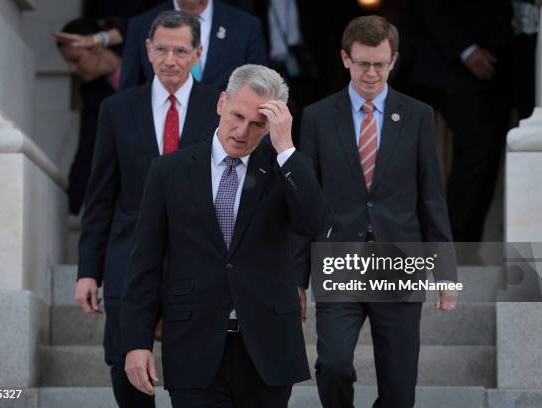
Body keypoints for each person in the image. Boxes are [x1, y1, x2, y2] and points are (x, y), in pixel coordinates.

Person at [121, 64, 334, 407]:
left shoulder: (286, 168)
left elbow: (317, 225)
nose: (242, 131)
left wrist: (286, 149)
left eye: (258, 124)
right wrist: (136, 342)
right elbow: (144, 263)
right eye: (237, 115)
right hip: (193, 345)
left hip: (268, 348)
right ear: (221, 102)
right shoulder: (168, 172)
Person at [295, 16, 458, 408]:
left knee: (399, 388)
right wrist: (296, 279)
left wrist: (446, 271)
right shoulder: (317, 117)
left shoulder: (418, 115)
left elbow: (431, 197)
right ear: (345, 59)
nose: (372, 73)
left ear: (394, 60)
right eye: (363, 63)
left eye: (380, 64)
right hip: (338, 259)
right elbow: (305, 202)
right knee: (332, 365)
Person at [75, 11, 220, 408]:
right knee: (125, 364)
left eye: (180, 50)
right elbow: (100, 195)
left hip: (196, 260)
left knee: (193, 372)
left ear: (198, 53)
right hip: (129, 257)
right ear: (147, 50)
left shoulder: (222, 108)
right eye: (162, 49)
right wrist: (89, 269)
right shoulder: (117, 109)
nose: (170, 59)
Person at [397, 0, 513, 242]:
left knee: (482, 151)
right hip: (443, 62)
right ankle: (448, 240)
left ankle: (457, 240)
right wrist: (465, 49)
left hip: (498, 63)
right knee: (473, 147)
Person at [54, 17, 124, 214]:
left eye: (76, 60)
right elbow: (87, 149)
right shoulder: (92, 93)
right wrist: (72, 209)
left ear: (96, 46)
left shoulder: (145, 62)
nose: (73, 69)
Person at [119, 0, 268, 90]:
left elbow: (261, 91)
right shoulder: (141, 26)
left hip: (223, 136)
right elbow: (128, 95)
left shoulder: (245, 26)